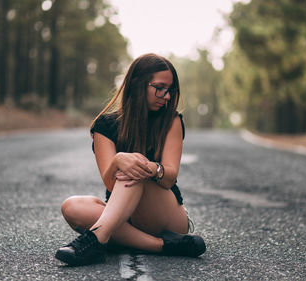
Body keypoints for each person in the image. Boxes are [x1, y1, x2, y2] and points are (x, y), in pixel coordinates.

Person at [55, 53, 206, 266]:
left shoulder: (171, 120)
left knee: (135, 168)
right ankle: (162, 246)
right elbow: (109, 183)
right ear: (138, 85)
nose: (167, 96)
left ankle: (98, 240)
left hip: (166, 216)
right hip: (124, 215)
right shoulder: (105, 126)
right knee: (72, 207)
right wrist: (117, 161)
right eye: (160, 88)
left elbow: (169, 177)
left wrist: (150, 168)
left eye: (171, 90)